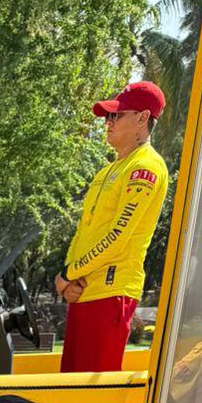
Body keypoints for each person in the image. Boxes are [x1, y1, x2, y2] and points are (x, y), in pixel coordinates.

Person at [56, 82, 168, 374]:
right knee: (68, 392)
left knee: (90, 397)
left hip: (111, 294)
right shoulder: (109, 170)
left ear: (142, 118)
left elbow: (118, 236)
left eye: (116, 115)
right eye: (108, 116)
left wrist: (68, 274)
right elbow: (85, 230)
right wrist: (70, 281)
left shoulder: (146, 166)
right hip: (84, 293)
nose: (108, 122)